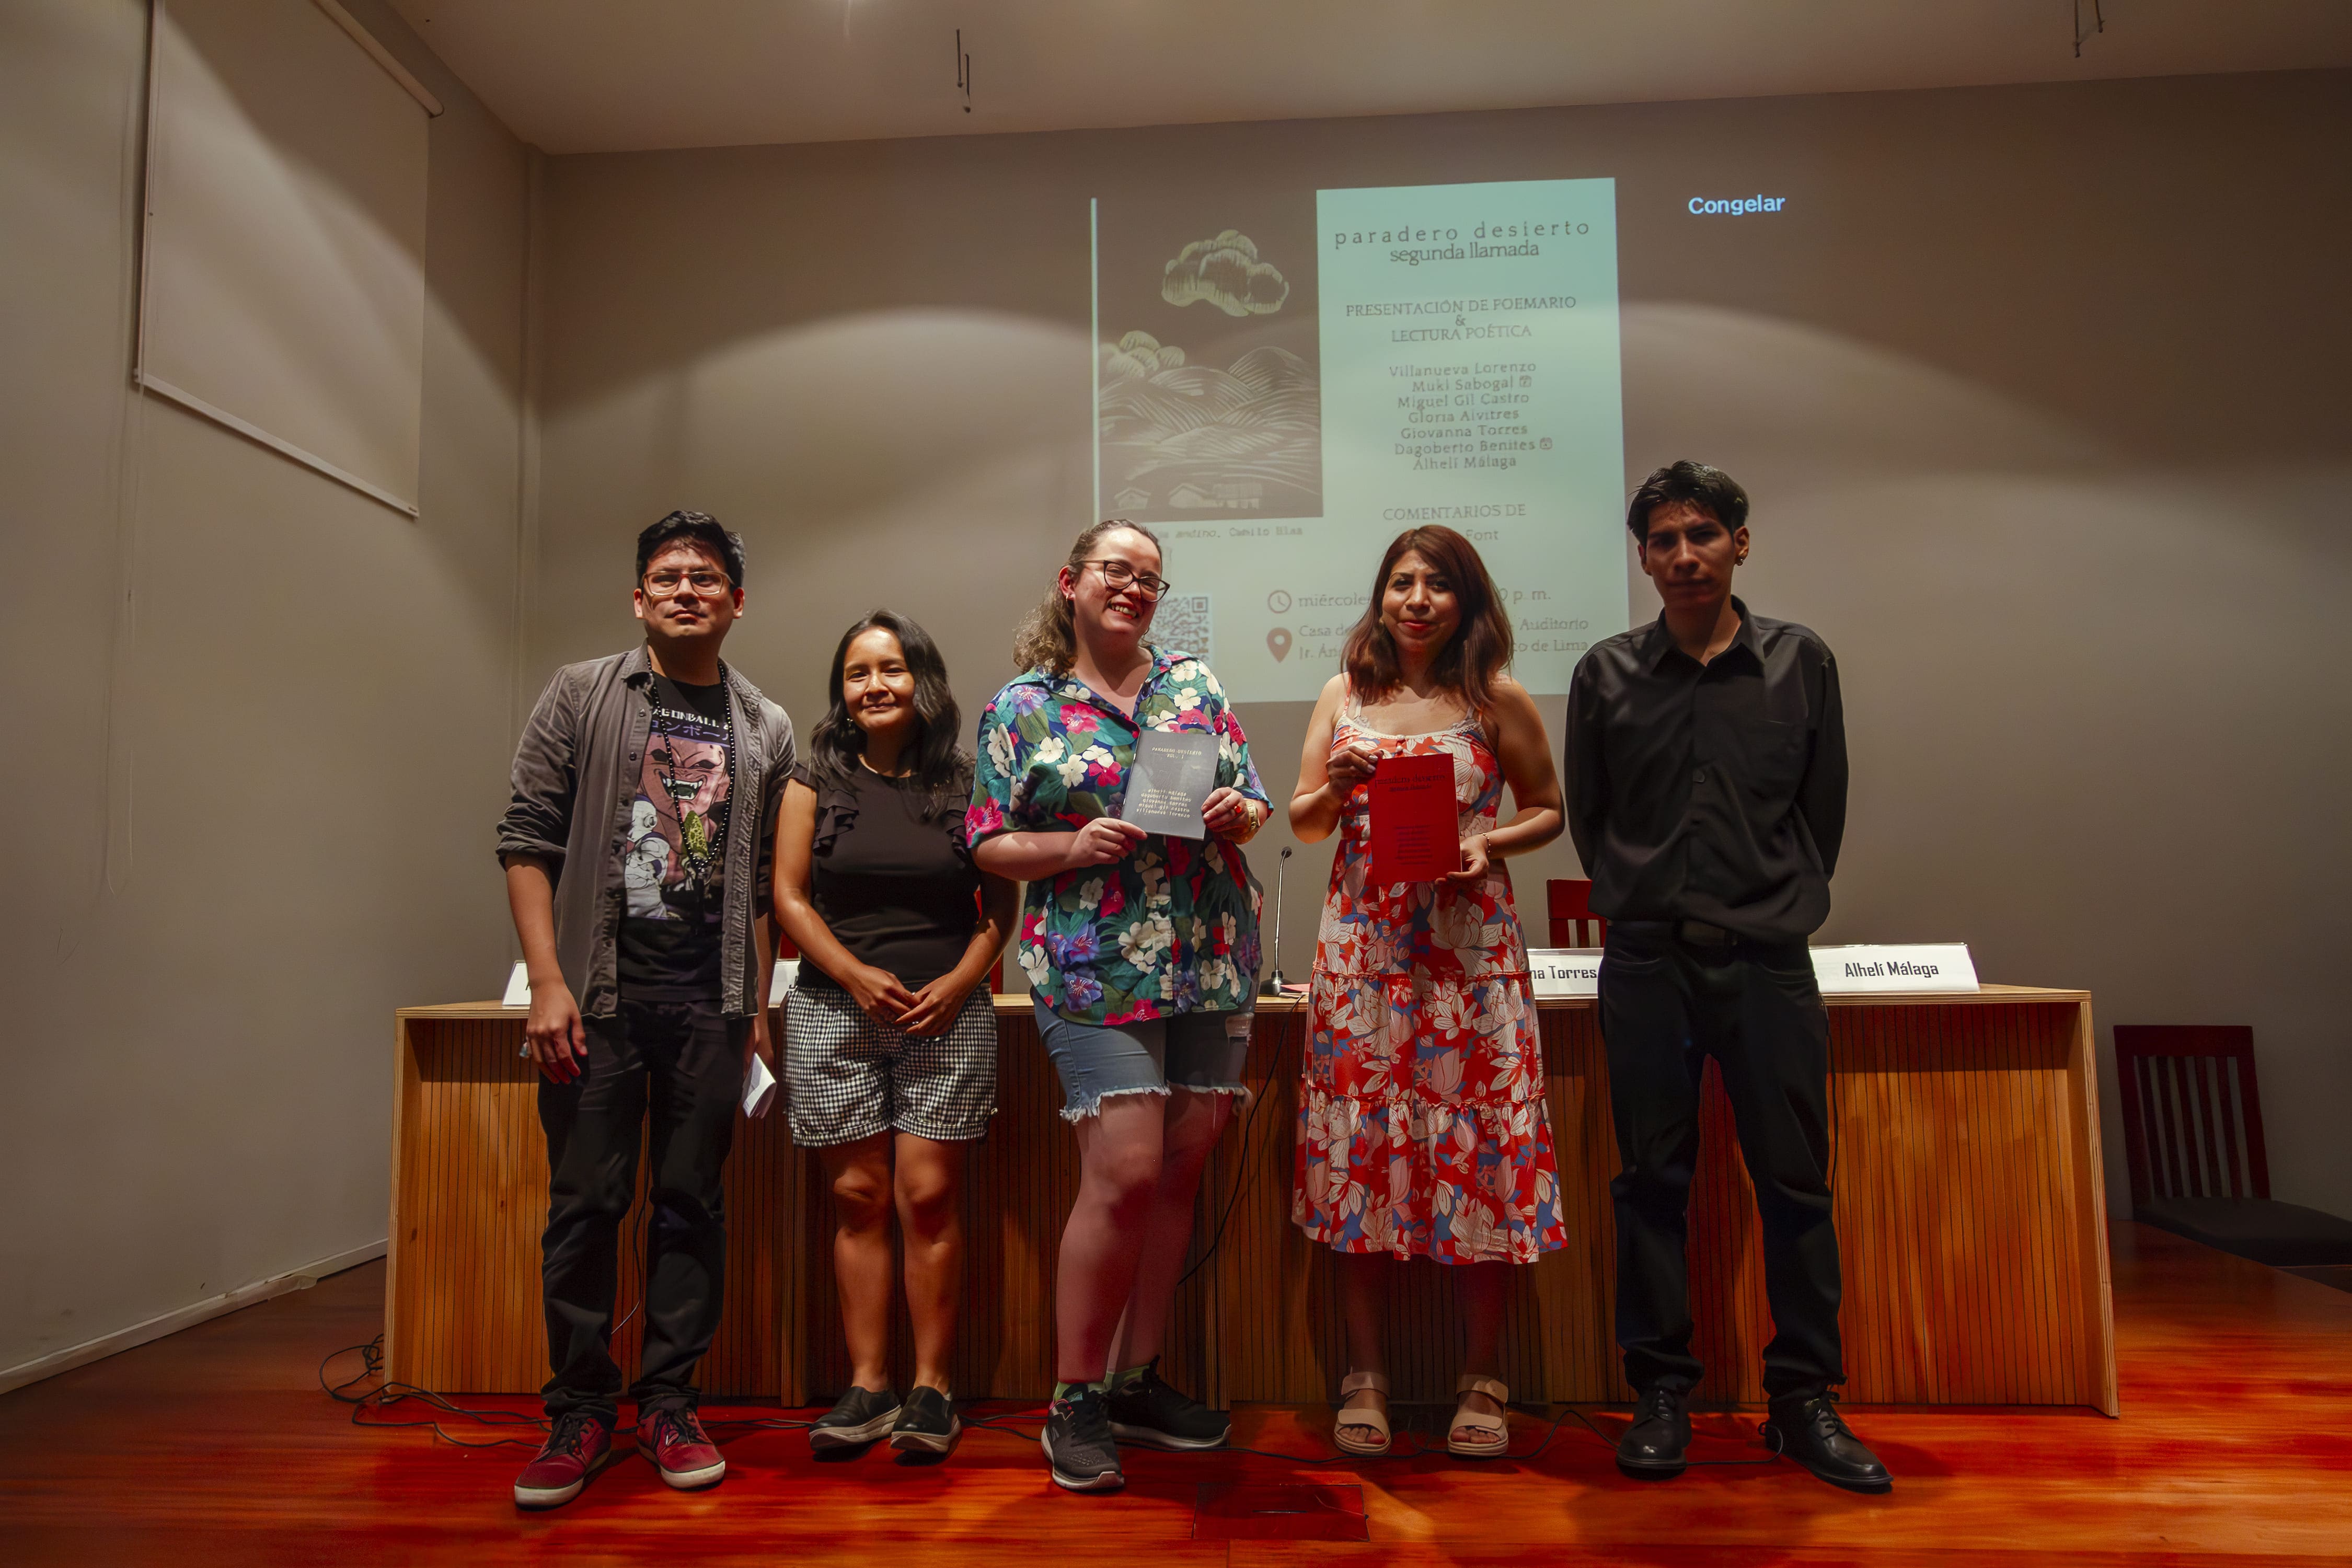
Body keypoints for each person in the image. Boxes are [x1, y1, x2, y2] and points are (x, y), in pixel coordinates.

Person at [1563, 461, 1888, 1493]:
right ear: (1645, 558)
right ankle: (1661, 1393)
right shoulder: (1607, 674)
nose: (1684, 556)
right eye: (1663, 541)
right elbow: (1593, 815)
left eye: (1703, 534)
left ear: (1740, 543)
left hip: (1766, 960)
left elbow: (1821, 811)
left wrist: (1769, 900)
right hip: (1649, 961)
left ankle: (1804, 1399)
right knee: (1651, 1182)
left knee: (1795, 1183)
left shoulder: (1803, 664)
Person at [497, 510, 795, 1509]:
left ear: (735, 601)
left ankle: (669, 1403)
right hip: (598, 1003)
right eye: (666, 577)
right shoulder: (581, 695)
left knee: (692, 1207)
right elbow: (526, 840)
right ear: (639, 597)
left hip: (710, 1005)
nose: (684, 590)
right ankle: (580, 1413)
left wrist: (754, 1004)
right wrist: (546, 980)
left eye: (705, 578)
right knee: (585, 1206)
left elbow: (759, 885)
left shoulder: (767, 725)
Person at [968, 520, 1270, 1492]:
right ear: (1072, 582)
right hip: (1093, 963)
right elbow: (987, 843)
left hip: (1211, 957)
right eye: (1116, 571)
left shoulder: (1195, 685)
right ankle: (1073, 1401)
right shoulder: (1023, 706)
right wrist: (1070, 847)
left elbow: (1253, 800)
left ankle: (1136, 1381)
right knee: (1127, 1169)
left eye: (1149, 577)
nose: (1133, 588)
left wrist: (1238, 813)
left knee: (1179, 1171)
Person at [1288, 525, 1569, 1459]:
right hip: (1364, 960)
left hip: (1469, 965)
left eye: (1437, 585)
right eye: (1401, 583)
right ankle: (1364, 1374)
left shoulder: (1497, 701)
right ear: (1382, 597)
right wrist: (1333, 781)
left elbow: (1549, 808)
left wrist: (1491, 842)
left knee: (1481, 1161)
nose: (1416, 599)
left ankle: (1482, 1379)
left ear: (1466, 601)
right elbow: (1305, 817)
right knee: (1361, 1161)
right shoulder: (1345, 695)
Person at [773, 610, 1014, 1456]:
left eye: (891, 668)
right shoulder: (811, 781)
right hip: (834, 1013)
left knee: (927, 1198)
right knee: (859, 1199)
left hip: (945, 1017)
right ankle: (868, 1383)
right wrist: (852, 975)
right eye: (856, 673)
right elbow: (789, 897)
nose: (873, 685)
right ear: (842, 692)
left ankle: (932, 1388)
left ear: (923, 680)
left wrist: (959, 984)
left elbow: (1003, 909)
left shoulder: (969, 782)